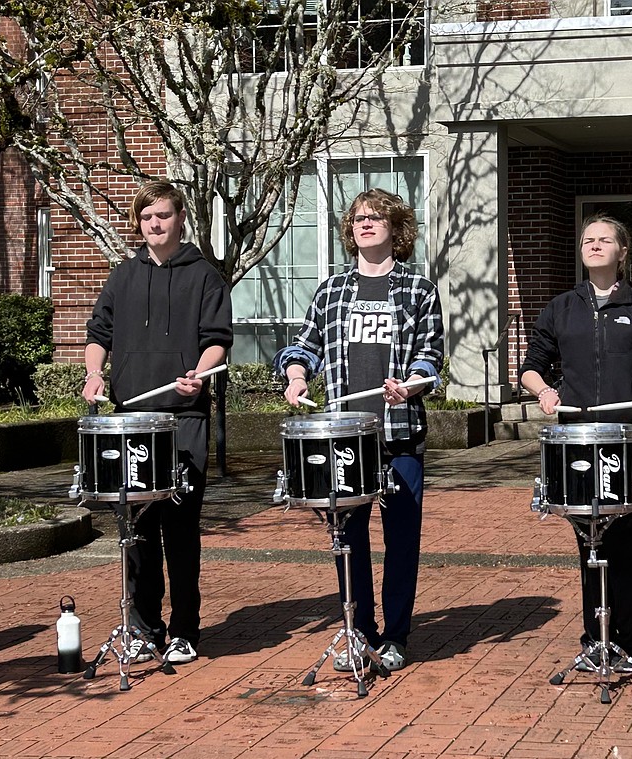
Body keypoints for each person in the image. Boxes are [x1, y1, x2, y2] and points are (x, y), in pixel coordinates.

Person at [274, 188, 444, 672]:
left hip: (399, 435)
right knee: (347, 540)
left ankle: (395, 635)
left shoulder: (419, 290)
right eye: (358, 219)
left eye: (375, 218)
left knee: (401, 539)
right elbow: (304, 344)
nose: (365, 225)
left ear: (397, 228)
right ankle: (358, 631)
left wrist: (411, 386)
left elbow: (430, 358)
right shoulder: (331, 290)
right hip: (345, 437)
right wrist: (297, 374)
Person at [82, 180, 233, 664]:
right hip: (133, 419)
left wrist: (200, 374)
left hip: (184, 419)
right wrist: (92, 372)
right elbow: (98, 332)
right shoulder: (123, 276)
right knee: (137, 531)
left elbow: (217, 339)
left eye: (163, 215)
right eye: (147, 217)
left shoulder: (204, 276)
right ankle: (145, 628)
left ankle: (185, 628)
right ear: (139, 222)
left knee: (181, 528)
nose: (155, 224)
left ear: (179, 218)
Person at [519, 214, 632, 673]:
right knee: (591, 545)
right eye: (588, 240)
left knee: (630, 542)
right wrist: (543, 391)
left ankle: (629, 636)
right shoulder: (561, 308)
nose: (596, 245)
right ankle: (596, 638)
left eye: (606, 240)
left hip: (629, 439)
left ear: (624, 252)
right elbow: (531, 366)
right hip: (577, 442)